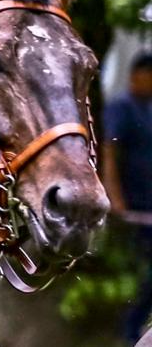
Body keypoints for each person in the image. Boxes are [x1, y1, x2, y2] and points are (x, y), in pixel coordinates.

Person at [105, 53, 152, 343]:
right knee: (140, 281)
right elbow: (110, 153)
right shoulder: (121, 108)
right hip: (131, 214)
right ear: (136, 76)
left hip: (150, 212)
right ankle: (128, 336)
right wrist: (116, 201)